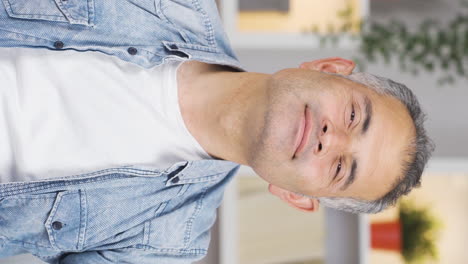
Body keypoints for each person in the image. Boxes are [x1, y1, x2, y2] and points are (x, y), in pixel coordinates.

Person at [0, 0, 433, 263]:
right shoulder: (174, 5)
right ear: (328, 69)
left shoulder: (162, 248)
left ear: (296, 196)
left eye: (340, 168)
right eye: (354, 116)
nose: (328, 138)